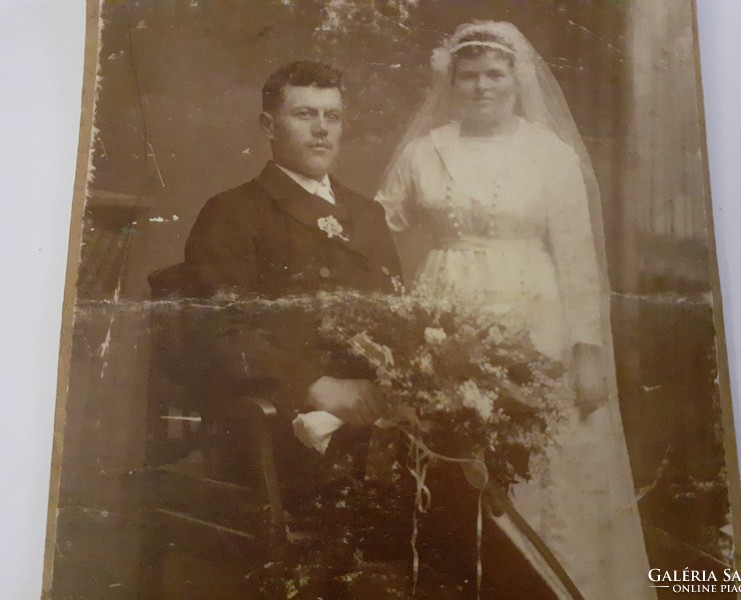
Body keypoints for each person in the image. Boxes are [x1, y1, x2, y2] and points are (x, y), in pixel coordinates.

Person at [376, 21, 655, 599]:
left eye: (494, 75)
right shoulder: (425, 151)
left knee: (539, 459)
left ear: (516, 79)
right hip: (445, 314)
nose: (482, 87)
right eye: (469, 76)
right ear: (451, 83)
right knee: (456, 453)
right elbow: (375, 228)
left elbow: (578, 258)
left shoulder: (549, 155)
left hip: (536, 316)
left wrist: (585, 351)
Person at [183, 61, 406, 597]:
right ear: (268, 125)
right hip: (282, 427)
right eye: (305, 114)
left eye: (333, 116)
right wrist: (316, 386)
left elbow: (398, 318)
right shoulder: (233, 213)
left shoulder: (366, 213)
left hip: (373, 420)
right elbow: (221, 335)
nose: (322, 129)